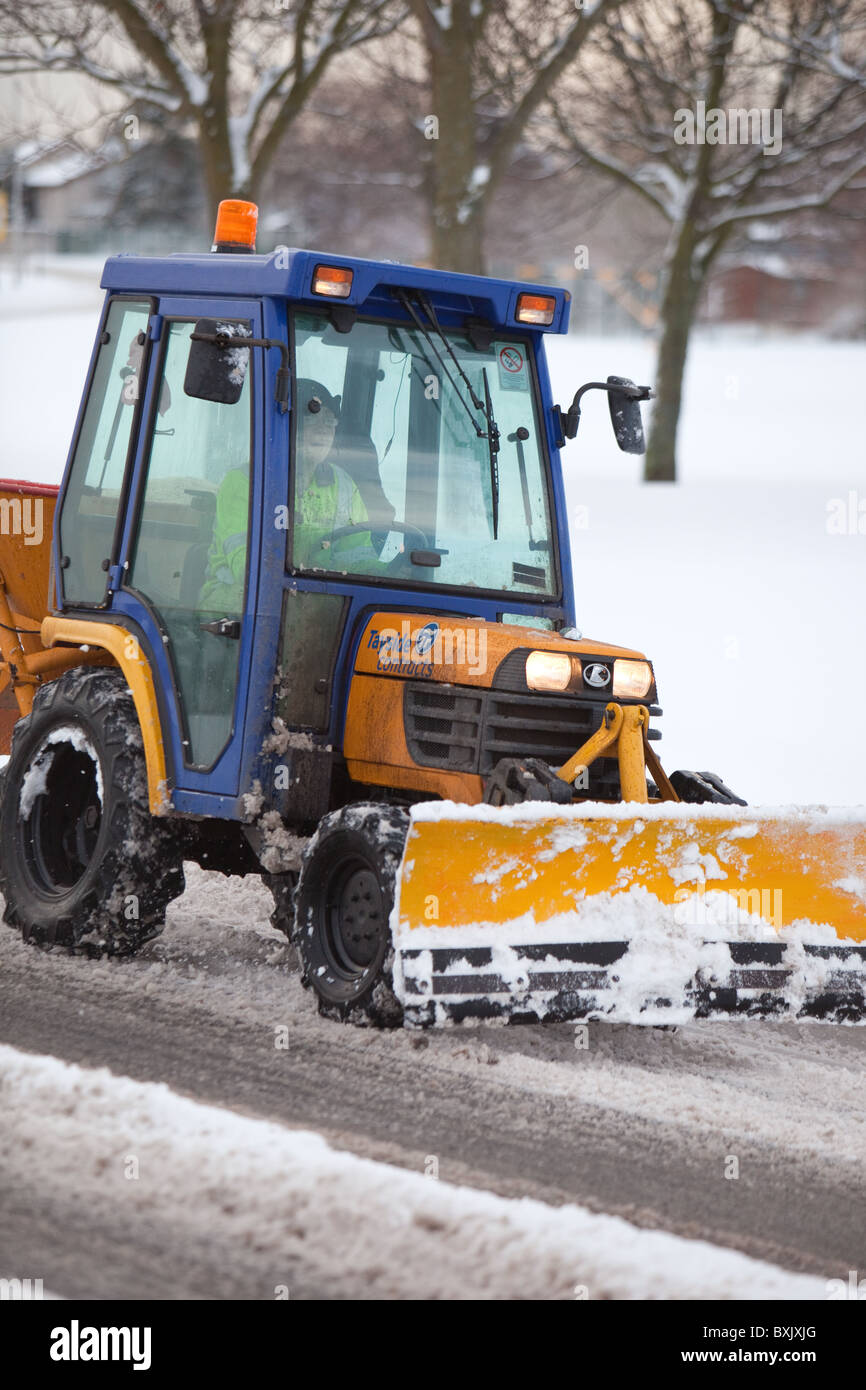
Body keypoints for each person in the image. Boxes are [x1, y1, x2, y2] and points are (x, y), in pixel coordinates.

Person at [198, 377, 379, 613]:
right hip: (236, 615)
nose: (324, 430)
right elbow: (250, 568)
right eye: (313, 418)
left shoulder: (343, 485)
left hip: (311, 609)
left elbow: (358, 557)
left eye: (329, 421)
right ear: (290, 423)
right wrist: (321, 551)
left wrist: (391, 572)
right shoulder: (246, 482)